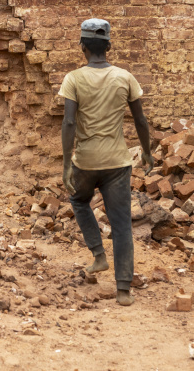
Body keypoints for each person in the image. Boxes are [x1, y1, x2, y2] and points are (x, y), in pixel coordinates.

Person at [59, 18, 154, 306]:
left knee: (78, 201)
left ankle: (99, 256)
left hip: (85, 162)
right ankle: (123, 289)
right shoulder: (125, 77)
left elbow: (69, 122)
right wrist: (147, 152)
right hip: (117, 162)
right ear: (109, 46)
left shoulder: (73, 79)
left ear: (82, 47)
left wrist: (66, 163)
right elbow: (140, 119)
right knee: (122, 223)